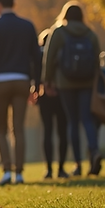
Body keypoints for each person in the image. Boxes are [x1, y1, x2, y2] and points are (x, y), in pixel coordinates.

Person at [0, 0, 41, 186]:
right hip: (22, 79)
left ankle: (6, 171)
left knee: (1, 127)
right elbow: (36, 56)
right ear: (14, 4)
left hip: (0, 80)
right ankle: (20, 173)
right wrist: (37, 83)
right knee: (19, 127)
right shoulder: (27, 26)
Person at [42, 1, 102, 176]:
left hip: (65, 83)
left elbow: (49, 56)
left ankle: (77, 164)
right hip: (87, 82)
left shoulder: (59, 32)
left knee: (72, 122)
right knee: (87, 119)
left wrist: (47, 81)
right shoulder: (90, 33)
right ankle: (94, 151)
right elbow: (97, 60)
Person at [37, 29, 69, 179]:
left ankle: (49, 169)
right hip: (61, 93)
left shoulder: (39, 54)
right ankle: (61, 168)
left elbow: (35, 73)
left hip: (44, 95)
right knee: (62, 131)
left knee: (47, 131)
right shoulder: (62, 52)